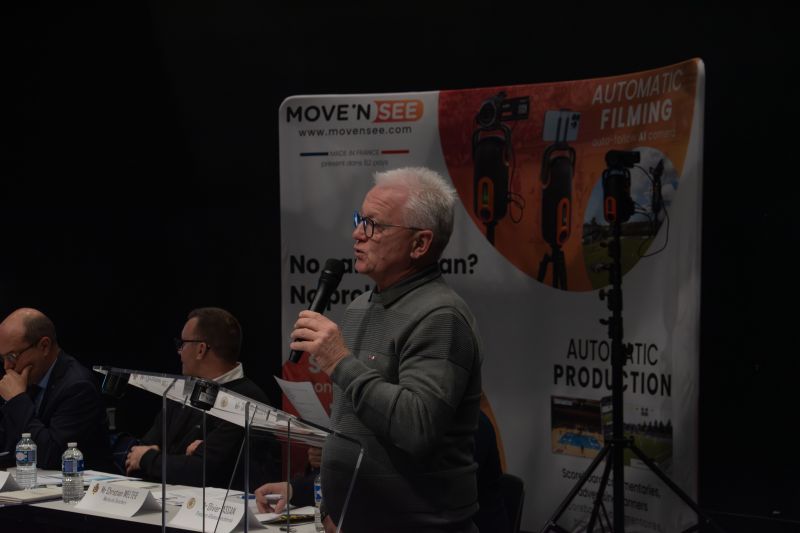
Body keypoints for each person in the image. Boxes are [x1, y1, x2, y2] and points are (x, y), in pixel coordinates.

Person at [256, 167, 483, 533]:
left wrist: (338, 360)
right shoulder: (360, 307)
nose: (357, 233)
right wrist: (323, 501)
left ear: (420, 244)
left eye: (374, 225)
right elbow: (354, 427)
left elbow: (416, 427)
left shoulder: (442, 316)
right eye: (359, 220)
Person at [125, 307, 279, 489]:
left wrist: (150, 459)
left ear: (201, 349)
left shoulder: (246, 400)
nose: (179, 351)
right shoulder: (183, 391)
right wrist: (158, 460)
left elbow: (201, 471)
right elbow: (137, 452)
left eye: (182, 343)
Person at [0, 308, 113, 471]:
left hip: (76, 484)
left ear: (44, 346)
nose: (7, 366)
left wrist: (17, 401)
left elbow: (51, 456)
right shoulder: (25, 379)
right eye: (2, 358)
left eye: (12, 356)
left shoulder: (78, 387)